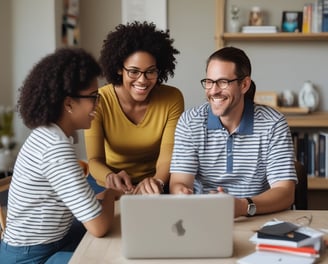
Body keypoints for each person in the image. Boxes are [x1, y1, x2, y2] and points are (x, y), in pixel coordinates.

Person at [0, 48, 121, 263]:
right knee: (110, 250)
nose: (97, 105)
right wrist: (112, 193)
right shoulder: (55, 147)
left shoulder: (48, 134)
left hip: (51, 241)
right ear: (68, 103)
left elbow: (72, 200)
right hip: (30, 257)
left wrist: (103, 198)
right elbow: (99, 227)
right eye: (94, 97)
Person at [169, 46, 297, 218]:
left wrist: (243, 206)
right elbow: (179, 182)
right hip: (203, 217)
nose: (213, 90)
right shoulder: (189, 122)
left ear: (244, 85)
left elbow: (285, 193)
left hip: (259, 218)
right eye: (209, 81)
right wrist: (182, 194)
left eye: (223, 82)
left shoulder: (273, 123)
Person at [84, 21, 184, 195]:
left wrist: (157, 182)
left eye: (150, 71)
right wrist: (110, 176)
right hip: (107, 181)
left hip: (154, 182)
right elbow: (94, 159)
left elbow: (167, 156)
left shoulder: (172, 98)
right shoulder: (99, 100)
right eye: (134, 71)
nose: (142, 80)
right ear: (119, 69)